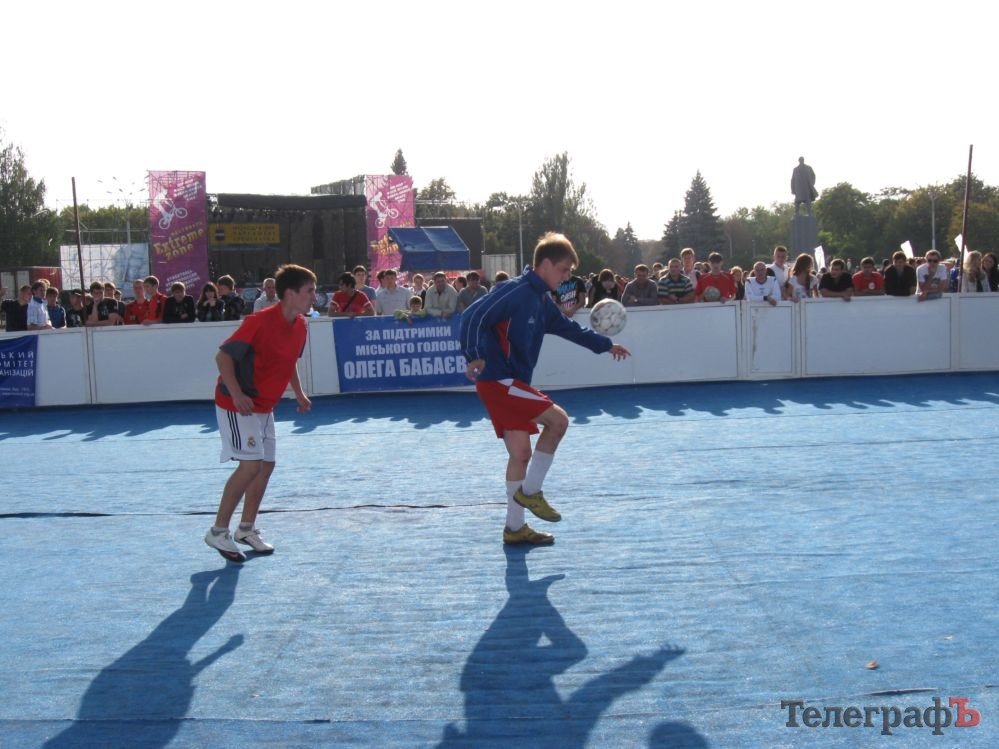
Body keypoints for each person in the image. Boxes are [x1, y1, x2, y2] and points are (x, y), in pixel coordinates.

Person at [459, 232, 631, 547]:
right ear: (546, 265)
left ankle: (514, 528)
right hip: (499, 381)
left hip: (510, 383)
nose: (567, 278)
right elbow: (472, 316)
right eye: (564, 270)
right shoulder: (516, 290)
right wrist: (474, 355)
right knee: (559, 420)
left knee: (521, 454)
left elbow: (570, 329)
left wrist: (607, 345)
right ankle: (532, 492)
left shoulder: (541, 301)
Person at [204, 263, 316, 562]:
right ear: (290, 294)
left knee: (266, 466)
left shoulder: (302, 324)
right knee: (251, 466)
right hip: (237, 404)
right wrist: (238, 393)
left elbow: (289, 360)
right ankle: (218, 530)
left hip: (265, 407)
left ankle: (246, 528)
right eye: (309, 291)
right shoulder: (259, 322)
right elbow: (223, 357)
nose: (314, 297)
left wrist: (299, 393)